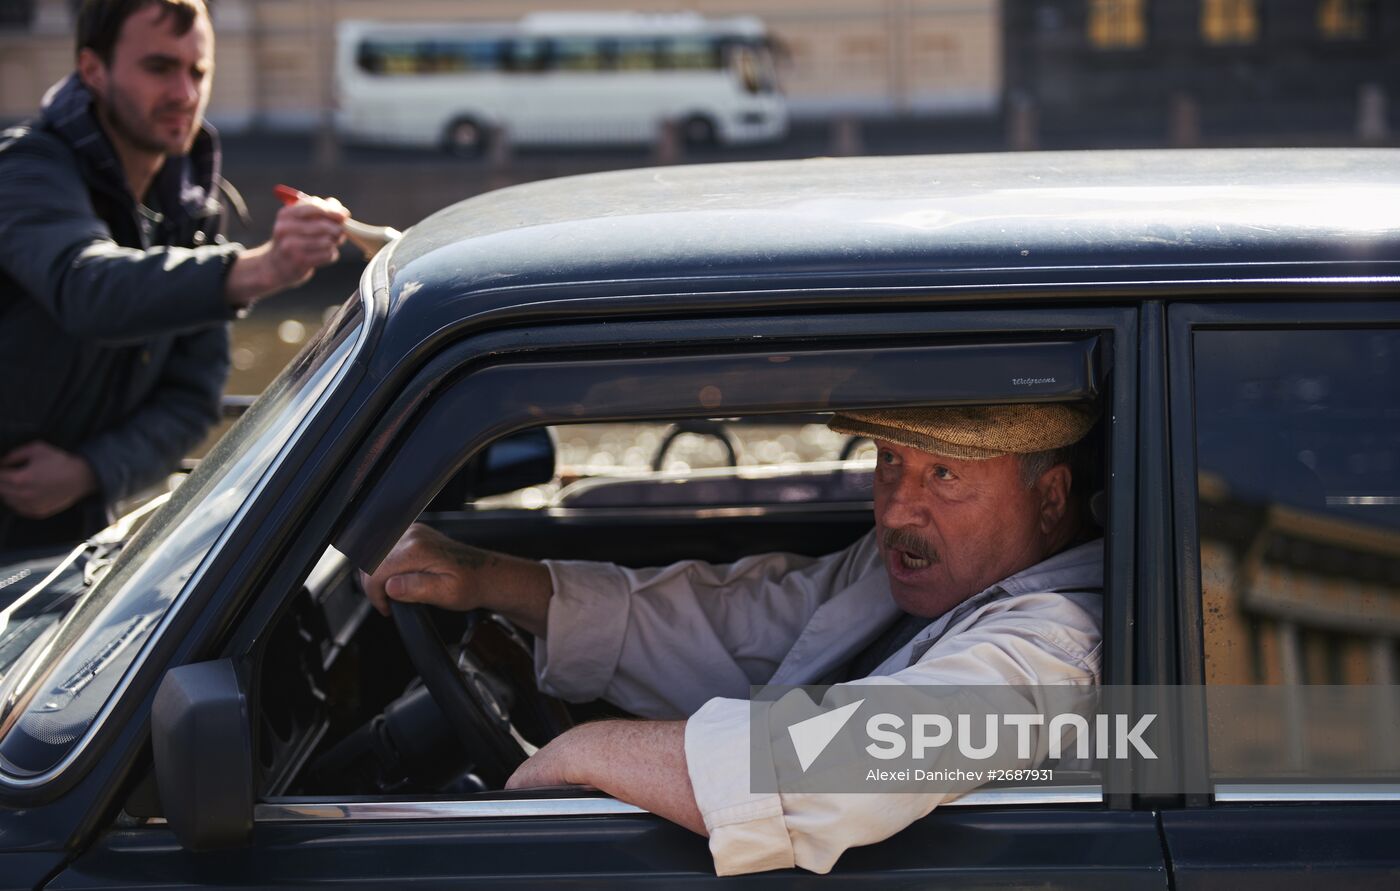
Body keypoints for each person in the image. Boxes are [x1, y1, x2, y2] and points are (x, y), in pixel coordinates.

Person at [362, 403, 1103, 876]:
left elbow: (846, 762)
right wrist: (487, 577)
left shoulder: (1057, 645)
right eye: (889, 462)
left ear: (1050, 499)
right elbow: (743, 621)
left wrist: (588, 751)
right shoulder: (922, 569)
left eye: (943, 473)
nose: (897, 508)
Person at [0, 0, 348, 552]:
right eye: (159, 68)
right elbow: (85, 286)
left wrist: (90, 471)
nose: (185, 94)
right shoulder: (26, 172)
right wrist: (259, 268)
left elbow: (191, 400)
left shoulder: (194, 212)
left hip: (72, 540)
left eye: (198, 72)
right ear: (93, 71)